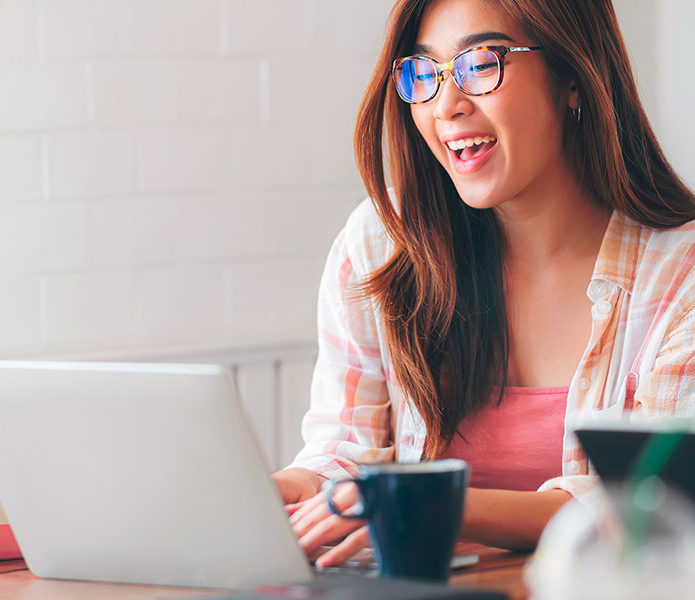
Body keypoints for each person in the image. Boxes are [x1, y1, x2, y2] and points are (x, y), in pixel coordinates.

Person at [271, 0, 695, 568]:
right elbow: (346, 446)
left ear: (573, 77)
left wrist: (438, 505)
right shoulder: (383, 244)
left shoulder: (680, 271)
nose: (447, 105)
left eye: (481, 63)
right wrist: (298, 489)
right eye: (424, 74)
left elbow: (653, 500)